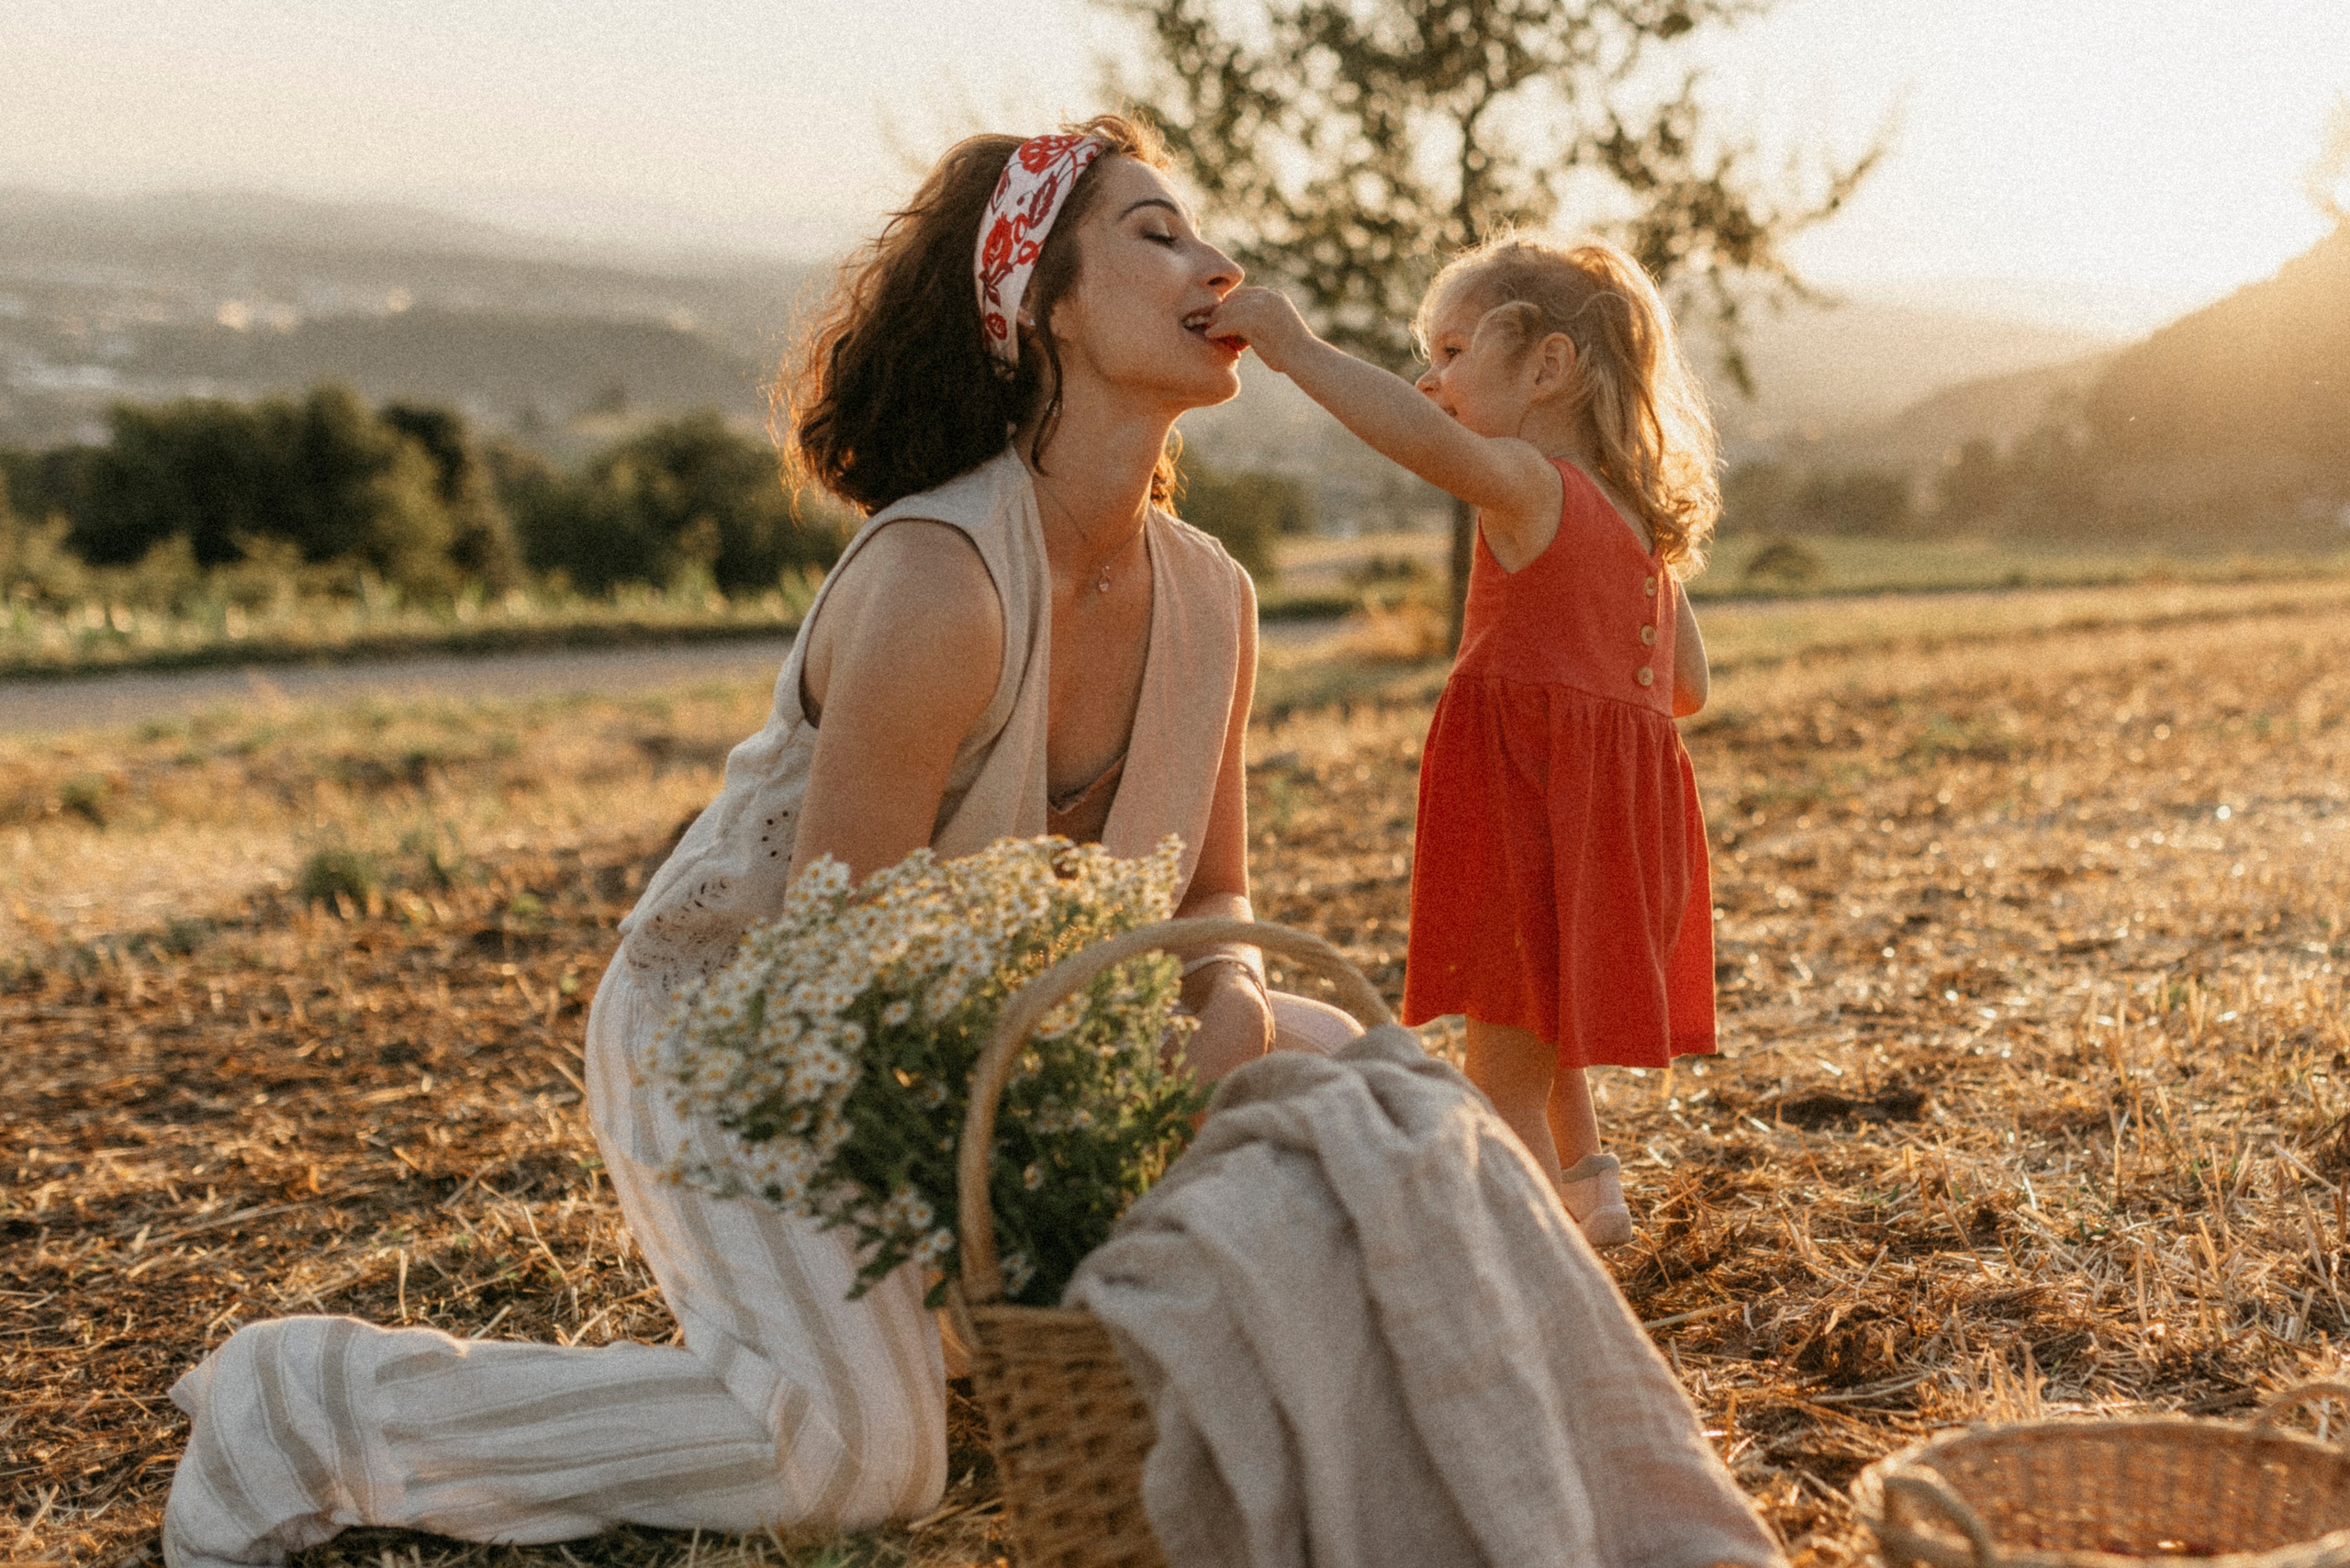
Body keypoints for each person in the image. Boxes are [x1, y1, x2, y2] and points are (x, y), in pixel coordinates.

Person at [162, 115, 1358, 1568]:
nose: (1217, 261)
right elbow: (832, 971)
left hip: (989, 1056)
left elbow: (1216, 898)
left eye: (1201, 230)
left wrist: (1227, 1014)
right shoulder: (941, 583)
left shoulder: (1213, 597)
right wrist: (1048, 1149)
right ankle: (309, 1403)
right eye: (1157, 232)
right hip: (740, 1045)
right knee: (859, 1459)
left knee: (1365, 1071)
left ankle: (932, 1324)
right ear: (1037, 306)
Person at [1205, 236, 1720, 1249]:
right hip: (1602, 827)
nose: (1428, 381)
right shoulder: (1636, 527)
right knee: (1542, 1014)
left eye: (1449, 351)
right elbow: (1688, 688)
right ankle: (1594, 1185)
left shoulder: (1530, 485)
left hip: (1523, 803)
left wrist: (1294, 347)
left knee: (1500, 1077)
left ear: (1546, 367)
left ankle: (1546, 1268)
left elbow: (1409, 437)